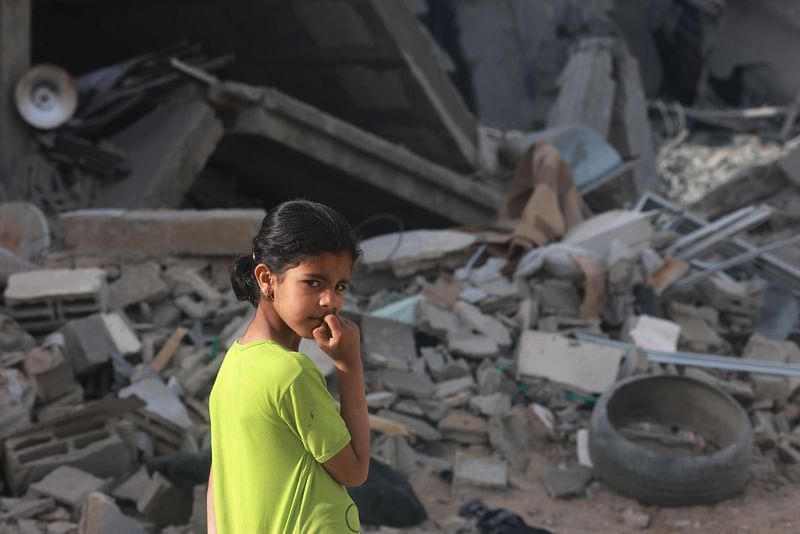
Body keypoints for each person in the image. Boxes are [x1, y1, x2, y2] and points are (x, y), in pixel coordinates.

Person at [207, 200, 369, 533]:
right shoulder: (292, 373)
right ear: (267, 279)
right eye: (313, 282)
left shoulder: (235, 363)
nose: (330, 301)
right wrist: (350, 366)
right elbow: (355, 471)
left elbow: (217, 484)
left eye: (340, 286)